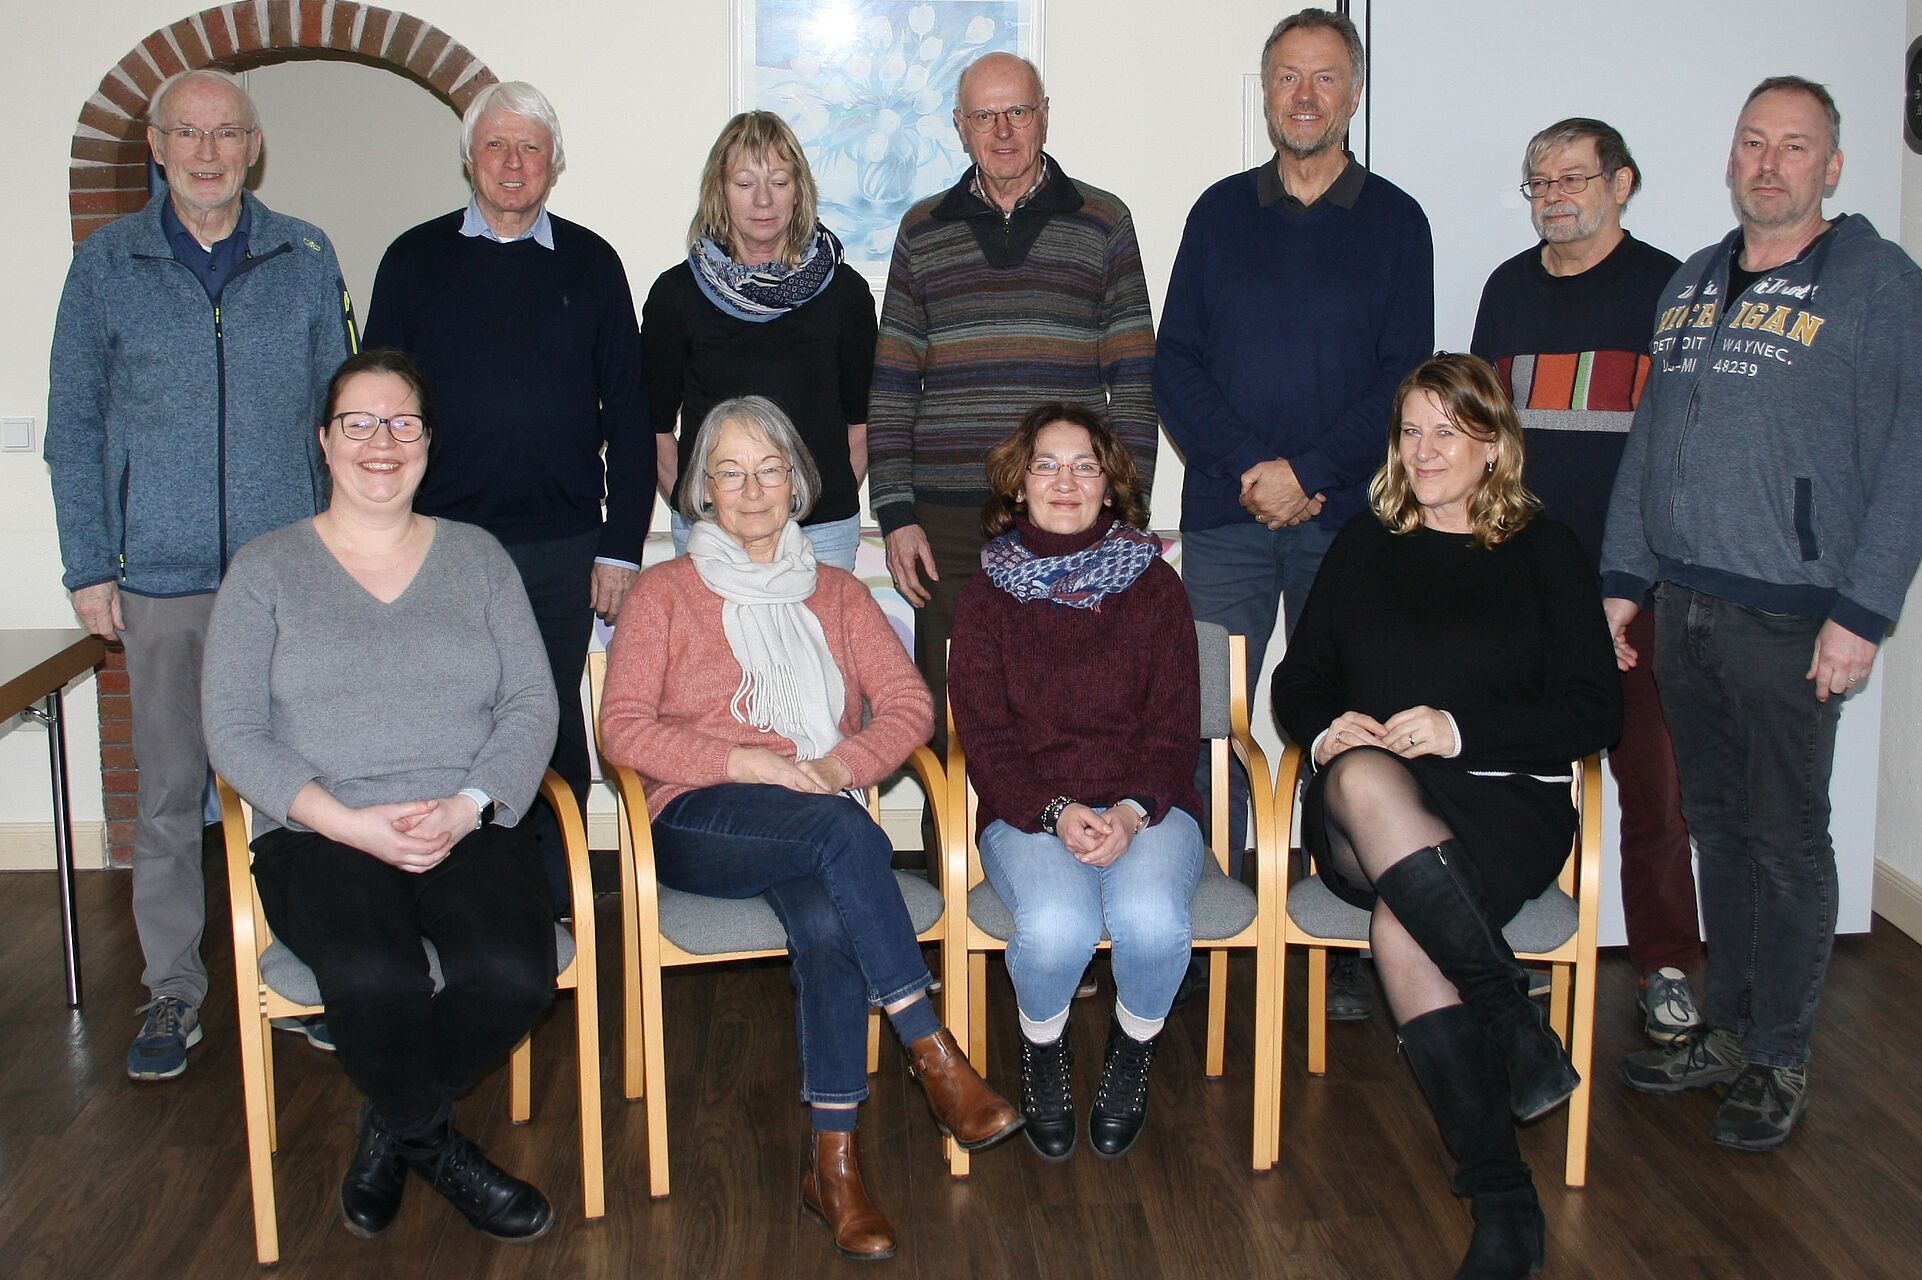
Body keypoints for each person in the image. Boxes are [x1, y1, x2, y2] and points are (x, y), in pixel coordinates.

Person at [1605, 77, 1922, 1150]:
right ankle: (1730, 1027)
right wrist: (1623, 575)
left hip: (1797, 618)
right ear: (1730, 158)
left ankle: (1781, 1053)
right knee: (1720, 828)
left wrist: (1862, 610)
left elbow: (1915, 459)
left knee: (1788, 838)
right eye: (1753, 142)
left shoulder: (1880, 287)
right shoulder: (1693, 284)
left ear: (1830, 167)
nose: (1769, 163)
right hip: (1688, 607)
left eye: (1794, 147)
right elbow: (1650, 441)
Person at [598, 395, 1020, 1260]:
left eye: (770, 469)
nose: (753, 489)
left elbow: (908, 704)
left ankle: (834, 1167)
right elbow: (624, 730)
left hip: (818, 810)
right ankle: (932, 1049)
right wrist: (748, 763)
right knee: (842, 837)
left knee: (830, 906)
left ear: (798, 483)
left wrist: (836, 768)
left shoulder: (836, 594)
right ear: (702, 492)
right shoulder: (663, 594)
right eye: (730, 471)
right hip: (698, 815)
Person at [1273, 354, 1621, 1279]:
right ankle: (1513, 1021)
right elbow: (1297, 677)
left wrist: (1460, 729)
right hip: (1369, 807)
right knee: (1360, 774)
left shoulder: (1548, 550)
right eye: (1411, 430)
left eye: (1448, 431)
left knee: (1404, 930)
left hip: (1508, 799)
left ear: (1494, 443)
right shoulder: (1364, 542)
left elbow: (1597, 711)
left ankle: (1502, 1199)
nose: (1425, 451)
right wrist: (1323, 723)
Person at [202, 350, 561, 1243]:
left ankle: (392, 1127)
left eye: (402, 423)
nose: (380, 441)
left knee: (517, 974)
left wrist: (469, 803)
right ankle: (438, 1148)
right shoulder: (266, 568)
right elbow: (233, 729)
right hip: (321, 828)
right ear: (324, 442)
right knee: (373, 975)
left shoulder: (478, 558)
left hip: (466, 821)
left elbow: (531, 703)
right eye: (358, 422)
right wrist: (343, 820)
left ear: (429, 446)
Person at [43, 67, 354, 1081]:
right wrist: (92, 564)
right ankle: (174, 991)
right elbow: (74, 428)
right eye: (190, 132)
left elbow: (338, 421)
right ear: (157, 143)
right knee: (171, 792)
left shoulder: (305, 256)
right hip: (161, 580)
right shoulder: (106, 264)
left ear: (253, 147)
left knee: (292, 790)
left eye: (227, 133)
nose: (209, 151)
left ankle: (301, 971)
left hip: (284, 580)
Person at [1155, 6, 1432, 1019]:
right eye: (1286, 77)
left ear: (1352, 92)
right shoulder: (1219, 211)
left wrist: (1310, 471)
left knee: (1348, 721)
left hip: (1349, 519)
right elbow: (1174, 362)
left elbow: (1406, 375)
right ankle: (1197, 924)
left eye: (1323, 78)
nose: (1304, 96)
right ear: (1265, 92)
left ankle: (1353, 927)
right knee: (1202, 724)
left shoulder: (1396, 219)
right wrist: (1250, 472)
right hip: (1228, 517)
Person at [364, 81, 650, 909]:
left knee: (553, 722)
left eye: (530, 147)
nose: (513, 163)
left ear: (555, 165)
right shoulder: (412, 260)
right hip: (436, 545)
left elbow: (630, 416)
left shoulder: (592, 263)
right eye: (496, 146)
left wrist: (620, 546)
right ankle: (458, 895)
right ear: (469, 159)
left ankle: (557, 900)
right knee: (441, 719)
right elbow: (377, 410)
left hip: (562, 546)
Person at [1469, 118, 1699, 1043]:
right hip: (1522, 588)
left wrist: (1623, 592)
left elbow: (1677, 454)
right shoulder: (1506, 290)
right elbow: (1485, 441)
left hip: (1636, 589)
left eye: (1572, 177)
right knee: (1510, 781)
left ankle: (1668, 968)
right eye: (1537, 181)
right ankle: (1508, 958)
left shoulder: (1670, 290)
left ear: (1621, 182)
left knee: (1653, 788)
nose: (1554, 195)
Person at [869, 50, 1157, 755]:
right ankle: (952, 864)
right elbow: (894, 382)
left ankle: (1054, 851)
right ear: (960, 127)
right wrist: (896, 512)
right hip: (948, 521)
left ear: (1045, 116)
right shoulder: (921, 228)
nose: (1002, 131)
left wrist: (1124, 503)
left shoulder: (1104, 221)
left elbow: (1137, 376)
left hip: (1066, 509)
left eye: (1018, 112)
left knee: (1061, 704)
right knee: (951, 712)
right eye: (984, 116)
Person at [948, 403, 1203, 1162]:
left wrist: (1128, 811)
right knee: (1056, 928)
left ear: (1111, 484)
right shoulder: (986, 598)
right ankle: (1045, 1049)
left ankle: (1132, 1051)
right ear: (1017, 485)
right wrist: (1056, 811)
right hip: (1029, 814)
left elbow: (1174, 728)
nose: (1066, 481)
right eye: (1046, 465)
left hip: (1149, 807)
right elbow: (987, 741)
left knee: (1153, 920)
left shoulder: (1157, 589)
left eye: (1085, 465)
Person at [646, 111, 876, 570]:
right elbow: (653, 427)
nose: (764, 200)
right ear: (720, 192)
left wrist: (816, 505)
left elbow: (861, 425)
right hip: (713, 534)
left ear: (799, 192)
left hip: (821, 533)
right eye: (745, 183)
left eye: (779, 181)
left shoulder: (845, 294)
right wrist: (695, 506)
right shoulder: (677, 296)